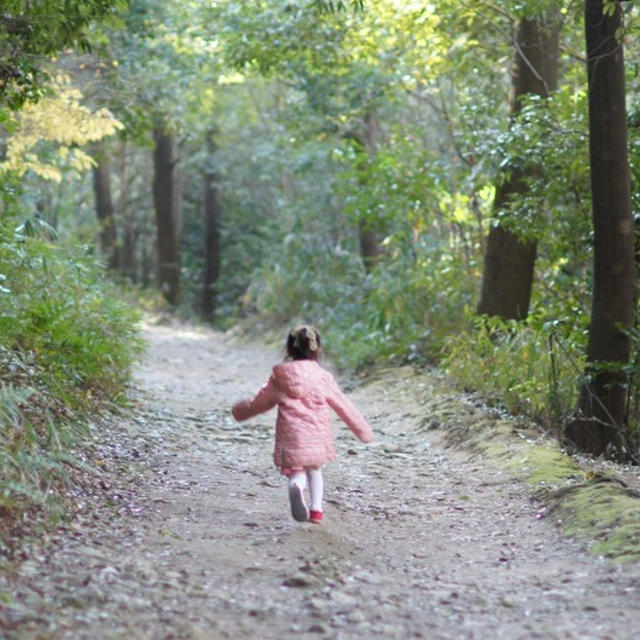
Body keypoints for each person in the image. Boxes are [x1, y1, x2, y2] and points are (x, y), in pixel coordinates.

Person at [231, 324, 373, 524]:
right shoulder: (323, 377)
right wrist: (364, 432)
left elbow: (259, 403)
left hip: (291, 436)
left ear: (289, 349)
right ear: (318, 349)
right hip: (317, 436)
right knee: (315, 469)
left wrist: (240, 411)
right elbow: (343, 405)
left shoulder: (280, 378)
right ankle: (316, 511)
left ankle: (296, 486)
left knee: (297, 471)